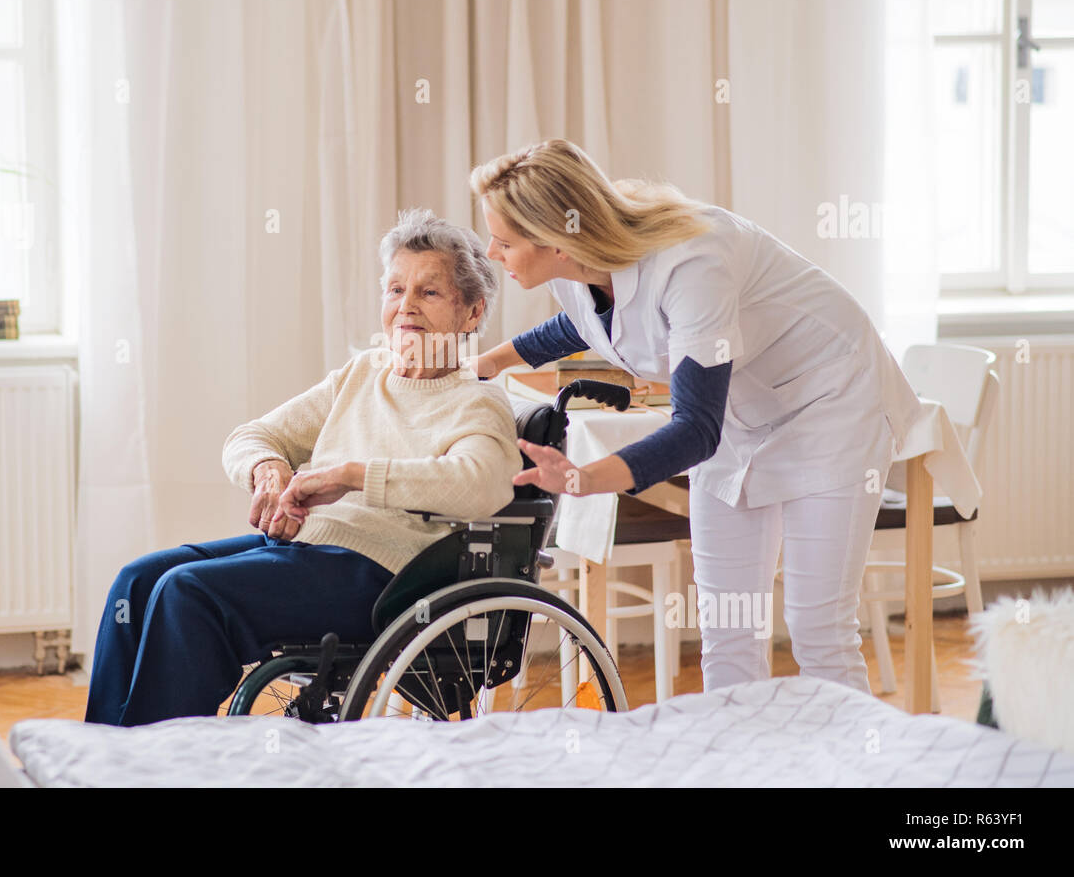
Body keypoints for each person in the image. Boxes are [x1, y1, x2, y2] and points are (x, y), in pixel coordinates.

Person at [468, 138, 922, 695]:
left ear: (556, 240)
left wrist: (587, 478)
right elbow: (584, 323)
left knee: (818, 629)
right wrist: (489, 362)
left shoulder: (692, 262)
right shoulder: (578, 264)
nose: (492, 253)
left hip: (831, 403)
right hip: (741, 409)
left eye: (504, 241)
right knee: (728, 626)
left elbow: (695, 431)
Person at [84, 209, 524, 726]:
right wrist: (269, 470)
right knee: (136, 583)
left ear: (472, 313)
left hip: (386, 577)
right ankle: (106, 757)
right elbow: (251, 436)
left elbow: (481, 484)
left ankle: (157, 769)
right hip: (305, 548)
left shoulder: (477, 401)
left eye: (428, 293)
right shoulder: (364, 373)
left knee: (187, 595)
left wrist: (351, 475)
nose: (405, 307)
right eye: (394, 289)